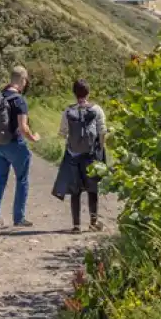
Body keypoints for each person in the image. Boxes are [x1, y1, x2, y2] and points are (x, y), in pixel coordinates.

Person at [0, 65, 40, 231]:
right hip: (15, 145)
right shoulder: (19, 100)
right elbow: (23, 128)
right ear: (22, 80)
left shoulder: (0, 96)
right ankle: (19, 217)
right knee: (22, 179)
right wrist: (34, 138)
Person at [52, 79, 107, 233]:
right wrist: (100, 150)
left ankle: (76, 225)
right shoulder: (96, 110)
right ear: (88, 92)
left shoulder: (68, 111)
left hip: (73, 155)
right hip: (91, 155)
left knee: (75, 191)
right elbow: (102, 132)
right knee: (92, 189)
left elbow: (62, 133)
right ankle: (93, 222)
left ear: (74, 93)